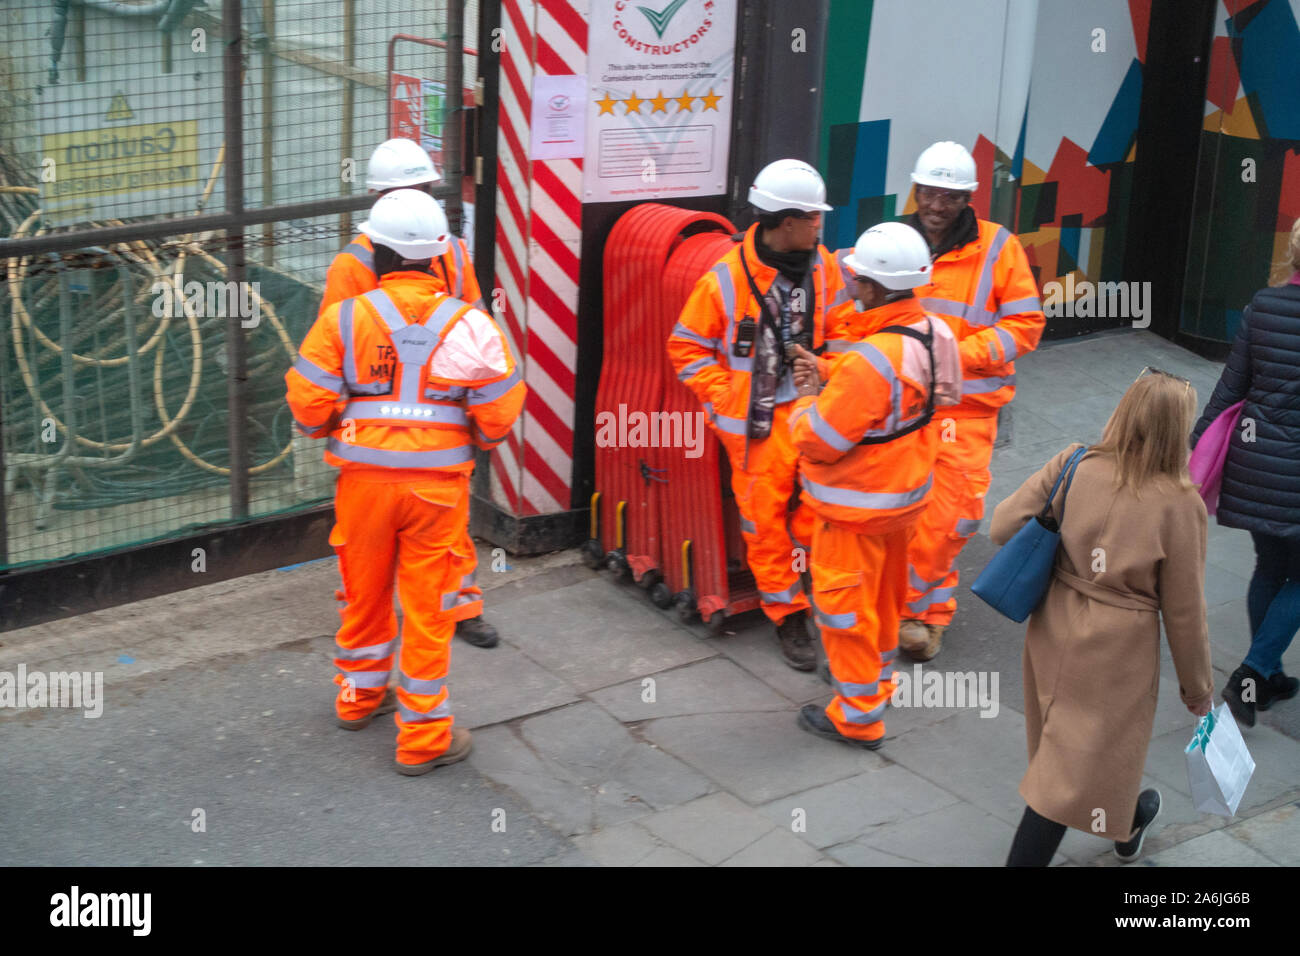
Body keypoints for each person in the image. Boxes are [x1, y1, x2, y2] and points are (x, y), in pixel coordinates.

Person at [287, 190, 526, 774]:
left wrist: (339, 425)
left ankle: (359, 697)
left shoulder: (346, 317)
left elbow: (307, 405)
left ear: (379, 251)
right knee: (428, 610)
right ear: (440, 254)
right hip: (437, 491)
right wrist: (470, 441)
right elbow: (498, 411)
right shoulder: (469, 323)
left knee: (363, 592)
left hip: (363, 487)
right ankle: (422, 740)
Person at [992, 371, 1214, 865]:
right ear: (1178, 430)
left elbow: (1002, 524)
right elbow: (1185, 611)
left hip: (1052, 624)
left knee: (1070, 748)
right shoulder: (1181, 505)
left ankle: (1128, 817)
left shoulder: (1073, 463)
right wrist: (1198, 691)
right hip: (1118, 650)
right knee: (1067, 769)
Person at [668, 159, 852, 669]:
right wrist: (726, 396)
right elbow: (686, 348)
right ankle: (788, 612)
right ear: (785, 221)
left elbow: (844, 331)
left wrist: (829, 368)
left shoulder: (826, 267)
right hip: (756, 427)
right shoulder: (724, 280)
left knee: (824, 506)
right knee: (763, 524)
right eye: (813, 217)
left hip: (817, 413)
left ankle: (806, 565)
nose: (820, 225)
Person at [319, 136, 498, 649]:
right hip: (387, 424)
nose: (418, 198)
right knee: (380, 549)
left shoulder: (452, 252)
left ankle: (458, 608)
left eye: (421, 188)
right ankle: (405, 624)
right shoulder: (351, 268)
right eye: (409, 190)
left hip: (434, 418)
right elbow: (334, 348)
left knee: (446, 530)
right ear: (380, 200)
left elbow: (475, 324)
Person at [787, 222, 960, 749]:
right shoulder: (938, 335)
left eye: (858, 278)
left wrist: (805, 401)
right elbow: (930, 395)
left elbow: (817, 440)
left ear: (874, 287)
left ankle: (857, 717)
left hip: (852, 513)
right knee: (884, 607)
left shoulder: (868, 361)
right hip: (904, 504)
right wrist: (832, 371)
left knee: (846, 615)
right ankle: (876, 683)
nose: (852, 284)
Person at [899, 141, 1046, 661]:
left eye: (949, 197)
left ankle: (919, 613)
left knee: (948, 519)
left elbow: (1026, 325)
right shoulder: (893, 240)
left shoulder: (998, 248)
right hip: (900, 404)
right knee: (898, 514)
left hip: (965, 411)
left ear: (967, 199)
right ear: (916, 190)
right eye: (929, 194)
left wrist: (960, 354)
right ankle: (918, 610)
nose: (937, 207)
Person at [1194, 216, 1300, 727]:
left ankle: (1271, 679)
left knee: (1270, 567)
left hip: (1255, 463)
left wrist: (1193, 446)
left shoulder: (1263, 306)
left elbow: (1230, 387)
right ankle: (1252, 675)